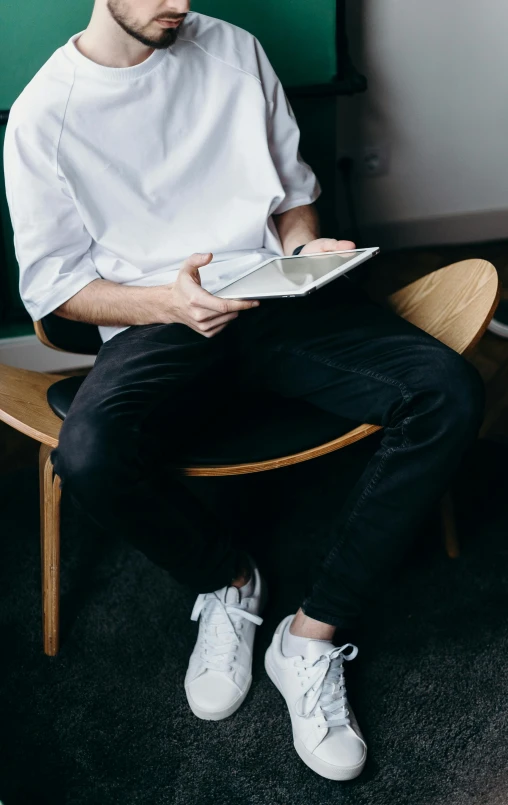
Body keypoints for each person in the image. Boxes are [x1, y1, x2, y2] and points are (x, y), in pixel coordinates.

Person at [4, 1, 484, 782]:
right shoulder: (41, 116)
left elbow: (290, 192)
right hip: (158, 319)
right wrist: (171, 303)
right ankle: (228, 581)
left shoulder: (233, 50)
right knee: (87, 455)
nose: (181, 4)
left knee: (449, 393)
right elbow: (58, 290)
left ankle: (311, 637)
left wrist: (302, 249)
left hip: (277, 299)